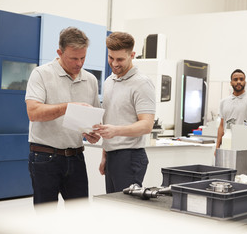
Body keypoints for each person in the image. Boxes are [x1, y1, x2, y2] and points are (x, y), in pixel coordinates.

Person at [25, 27, 101, 206]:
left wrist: (91, 133)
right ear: (59, 52)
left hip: (76, 157)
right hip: (45, 157)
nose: (79, 63)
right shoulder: (41, 74)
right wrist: (67, 107)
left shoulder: (90, 80)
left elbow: (94, 118)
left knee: (80, 215)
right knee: (46, 216)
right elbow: (33, 113)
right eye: (74, 58)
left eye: (83, 57)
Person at [94, 32, 156, 194]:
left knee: (126, 212)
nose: (114, 63)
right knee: (113, 209)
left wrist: (115, 131)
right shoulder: (109, 81)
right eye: (110, 58)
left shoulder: (142, 83)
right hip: (112, 156)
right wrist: (105, 155)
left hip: (130, 157)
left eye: (120, 59)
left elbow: (147, 125)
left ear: (132, 55)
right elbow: (111, 118)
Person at [216, 69, 247, 151]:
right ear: (231, 83)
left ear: (245, 82)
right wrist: (217, 147)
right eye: (235, 79)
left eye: (241, 79)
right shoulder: (223, 102)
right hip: (226, 144)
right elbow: (221, 126)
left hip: (243, 146)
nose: (238, 82)